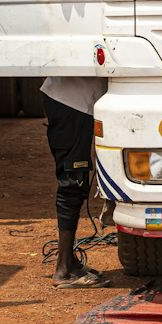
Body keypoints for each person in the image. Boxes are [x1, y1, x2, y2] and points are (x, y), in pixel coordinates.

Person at [39, 75, 108, 288]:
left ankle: (70, 262)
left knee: (77, 182)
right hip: (71, 102)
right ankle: (64, 269)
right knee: (73, 183)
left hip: (74, 101)